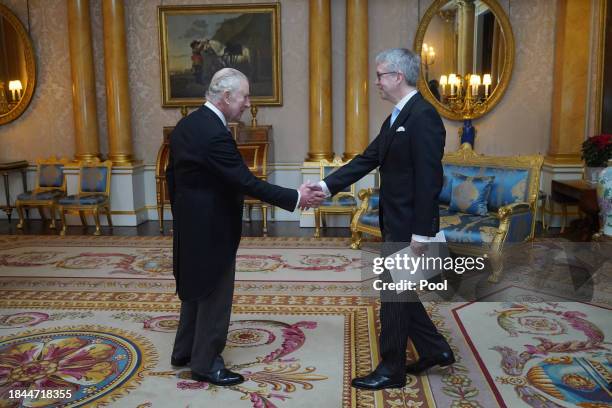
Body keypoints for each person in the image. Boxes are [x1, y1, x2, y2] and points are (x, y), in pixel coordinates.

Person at [166, 68, 325, 386]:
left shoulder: (189, 123)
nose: (248, 103)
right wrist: (296, 197)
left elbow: (172, 176)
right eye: (245, 96)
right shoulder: (215, 133)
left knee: (195, 288)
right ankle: (207, 363)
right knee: (214, 292)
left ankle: (184, 351)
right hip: (212, 226)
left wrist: (184, 212)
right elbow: (246, 181)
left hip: (190, 222)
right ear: (226, 97)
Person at [317, 48, 455, 390]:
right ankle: (435, 349)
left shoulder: (424, 116)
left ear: (398, 76)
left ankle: (391, 369)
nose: (376, 81)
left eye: (380, 75)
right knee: (401, 291)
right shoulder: (396, 117)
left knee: (393, 296)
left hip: (411, 226)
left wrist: (423, 231)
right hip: (394, 220)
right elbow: (367, 159)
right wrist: (324, 185)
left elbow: (429, 178)